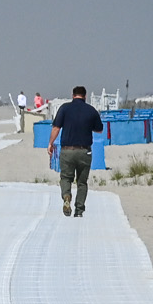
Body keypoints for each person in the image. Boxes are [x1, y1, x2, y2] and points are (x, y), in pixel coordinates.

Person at [48, 85, 105, 217]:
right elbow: (100, 129)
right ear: (85, 96)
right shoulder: (91, 110)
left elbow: (56, 128)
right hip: (84, 151)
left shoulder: (64, 108)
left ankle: (67, 196)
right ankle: (79, 210)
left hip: (67, 150)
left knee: (66, 178)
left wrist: (50, 143)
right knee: (82, 182)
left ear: (73, 95)